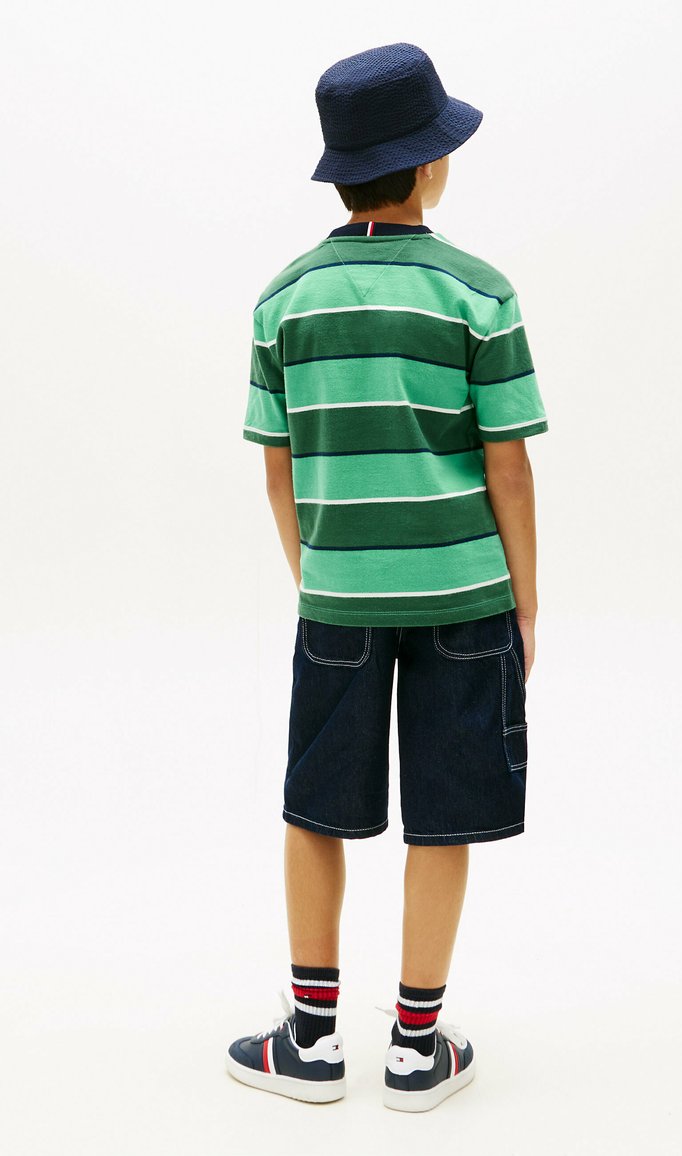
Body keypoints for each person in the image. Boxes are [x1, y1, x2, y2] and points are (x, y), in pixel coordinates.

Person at [226, 41, 548, 1113]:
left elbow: (277, 468)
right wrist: (525, 601)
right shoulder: (479, 293)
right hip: (465, 595)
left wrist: (317, 574)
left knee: (315, 807)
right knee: (443, 816)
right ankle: (416, 1047)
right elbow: (508, 466)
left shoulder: (282, 300)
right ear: (428, 166)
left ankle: (311, 1039)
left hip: (337, 598)